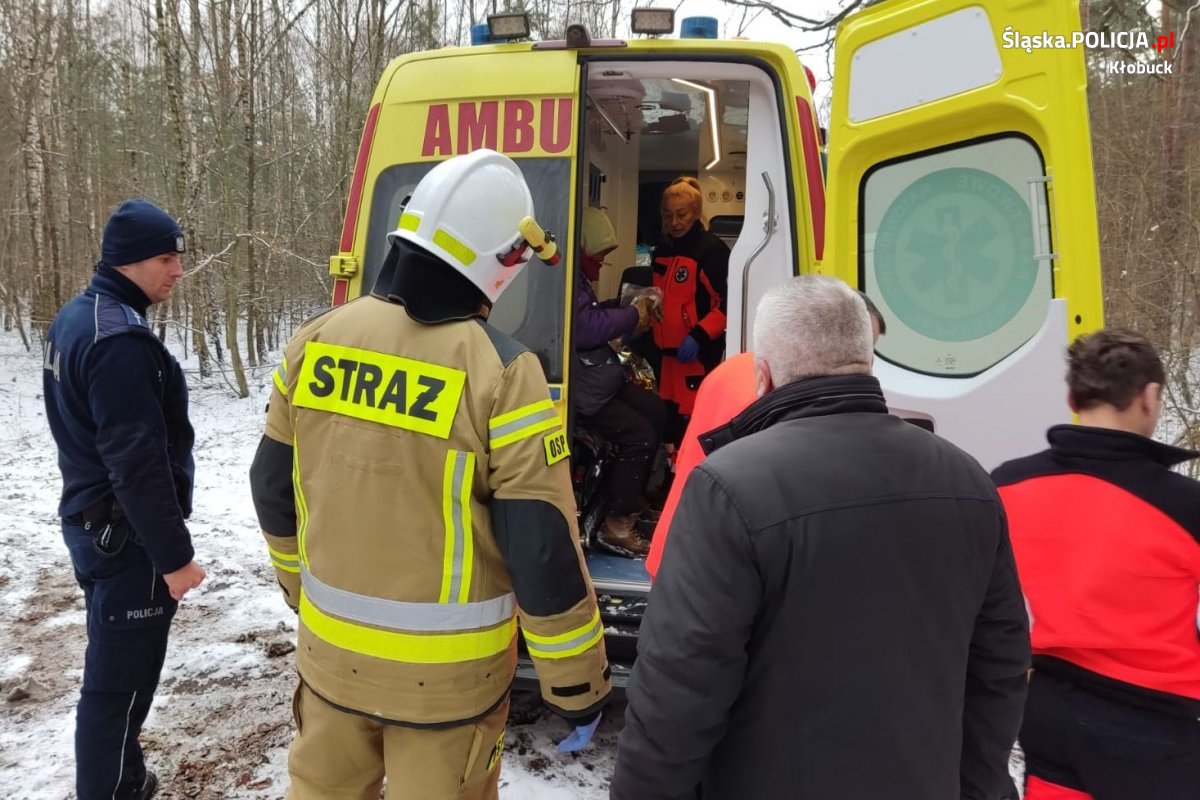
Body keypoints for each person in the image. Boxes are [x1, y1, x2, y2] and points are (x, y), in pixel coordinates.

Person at [249, 149, 611, 800]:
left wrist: (302, 590)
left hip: (330, 663)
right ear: (500, 262)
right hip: (447, 689)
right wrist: (576, 682)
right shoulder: (502, 371)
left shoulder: (317, 340)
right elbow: (540, 542)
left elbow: (272, 486)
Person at [611, 275, 1029, 800]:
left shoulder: (730, 487)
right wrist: (975, 786)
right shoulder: (967, 481)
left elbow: (680, 687)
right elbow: (1000, 667)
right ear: (867, 357)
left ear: (761, 375)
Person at [992, 328, 1200, 800]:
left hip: (1046, 711)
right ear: (1149, 397)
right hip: (1155, 723)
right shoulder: (1184, 505)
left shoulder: (1006, 486)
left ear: (1072, 396)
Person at [43, 199, 206, 800]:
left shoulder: (78, 317)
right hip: (124, 537)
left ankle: (127, 779)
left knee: (119, 673)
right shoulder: (119, 342)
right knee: (119, 688)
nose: (178, 270)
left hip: (92, 524)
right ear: (131, 261)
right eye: (167, 257)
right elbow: (136, 465)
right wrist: (174, 558)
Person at [646, 290, 887, 578]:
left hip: (678, 547)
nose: (863, 362)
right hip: (713, 569)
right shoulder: (784, 398)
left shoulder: (736, 367)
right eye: (859, 347)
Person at [573, 206, 665, 557]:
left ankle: (630, 495)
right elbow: (585, 328)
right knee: (638, 436)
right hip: (584, 391)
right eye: (598, 256)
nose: (601, 264)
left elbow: (591, 316)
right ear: (583, 248)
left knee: (654, 411)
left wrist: (625, 304)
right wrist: (631, 315)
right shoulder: (565, 276)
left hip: (598, 379)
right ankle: (617, 524)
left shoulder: (579, 280)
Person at [650, 176, 730, 446]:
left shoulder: (711, 251)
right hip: (667, 353)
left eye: (682, 215)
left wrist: (699, 335)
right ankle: (671, 476)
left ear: (696, 213)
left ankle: (690, 477)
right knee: (669, 420)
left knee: (693, 421)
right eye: (669, 215)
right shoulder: (663, 249)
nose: (675, 222)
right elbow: (660, 293)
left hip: (695, 353)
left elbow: (727, 302)